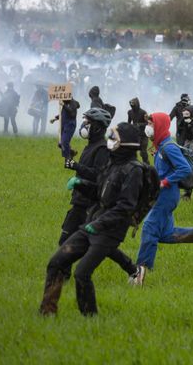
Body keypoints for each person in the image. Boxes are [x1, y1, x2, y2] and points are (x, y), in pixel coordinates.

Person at [39, 122, 145, 316]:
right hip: (93, 223)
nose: (110, 141)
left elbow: (125, 207)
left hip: (110, 231)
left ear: (126, 143)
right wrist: (81, 184)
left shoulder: (134, 170)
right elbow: (100, 191)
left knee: (82, 274)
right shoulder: (112, 163)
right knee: (56, 263)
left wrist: (98, 225)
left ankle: (91, 319)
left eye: (114, 138)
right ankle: (47, 312)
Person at [60, 108, 143, 282]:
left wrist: (77, 168)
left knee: (72, 241)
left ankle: (62, 276)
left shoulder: (102, 149)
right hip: (80, 199)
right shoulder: (91, 145)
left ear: (98, 127)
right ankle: (133, 269)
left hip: (89, 202)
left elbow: (99, 176)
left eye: (88, 122)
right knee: (98, 244)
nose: (84, 125)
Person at [136, 112, 193, 271]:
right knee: (166, 233)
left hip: (166, 195)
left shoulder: (168, 147)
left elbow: (184, 168)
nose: (149, 127)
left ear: (159, 126)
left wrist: (165, 181)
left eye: (152, 124)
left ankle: (141, 270)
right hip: (164, 194)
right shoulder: (160, 146)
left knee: (149, 228)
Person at [127, 97, 149, 163]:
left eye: (134, 105)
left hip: (143, 135)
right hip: (135, 134)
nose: (133, 107)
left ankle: (147, 166)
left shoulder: (143, 112)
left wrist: (139, 124)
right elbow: (129, 122)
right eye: (132, 105)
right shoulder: (129, 112)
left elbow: (147, 123)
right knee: (132, 151)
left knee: (143, 152)